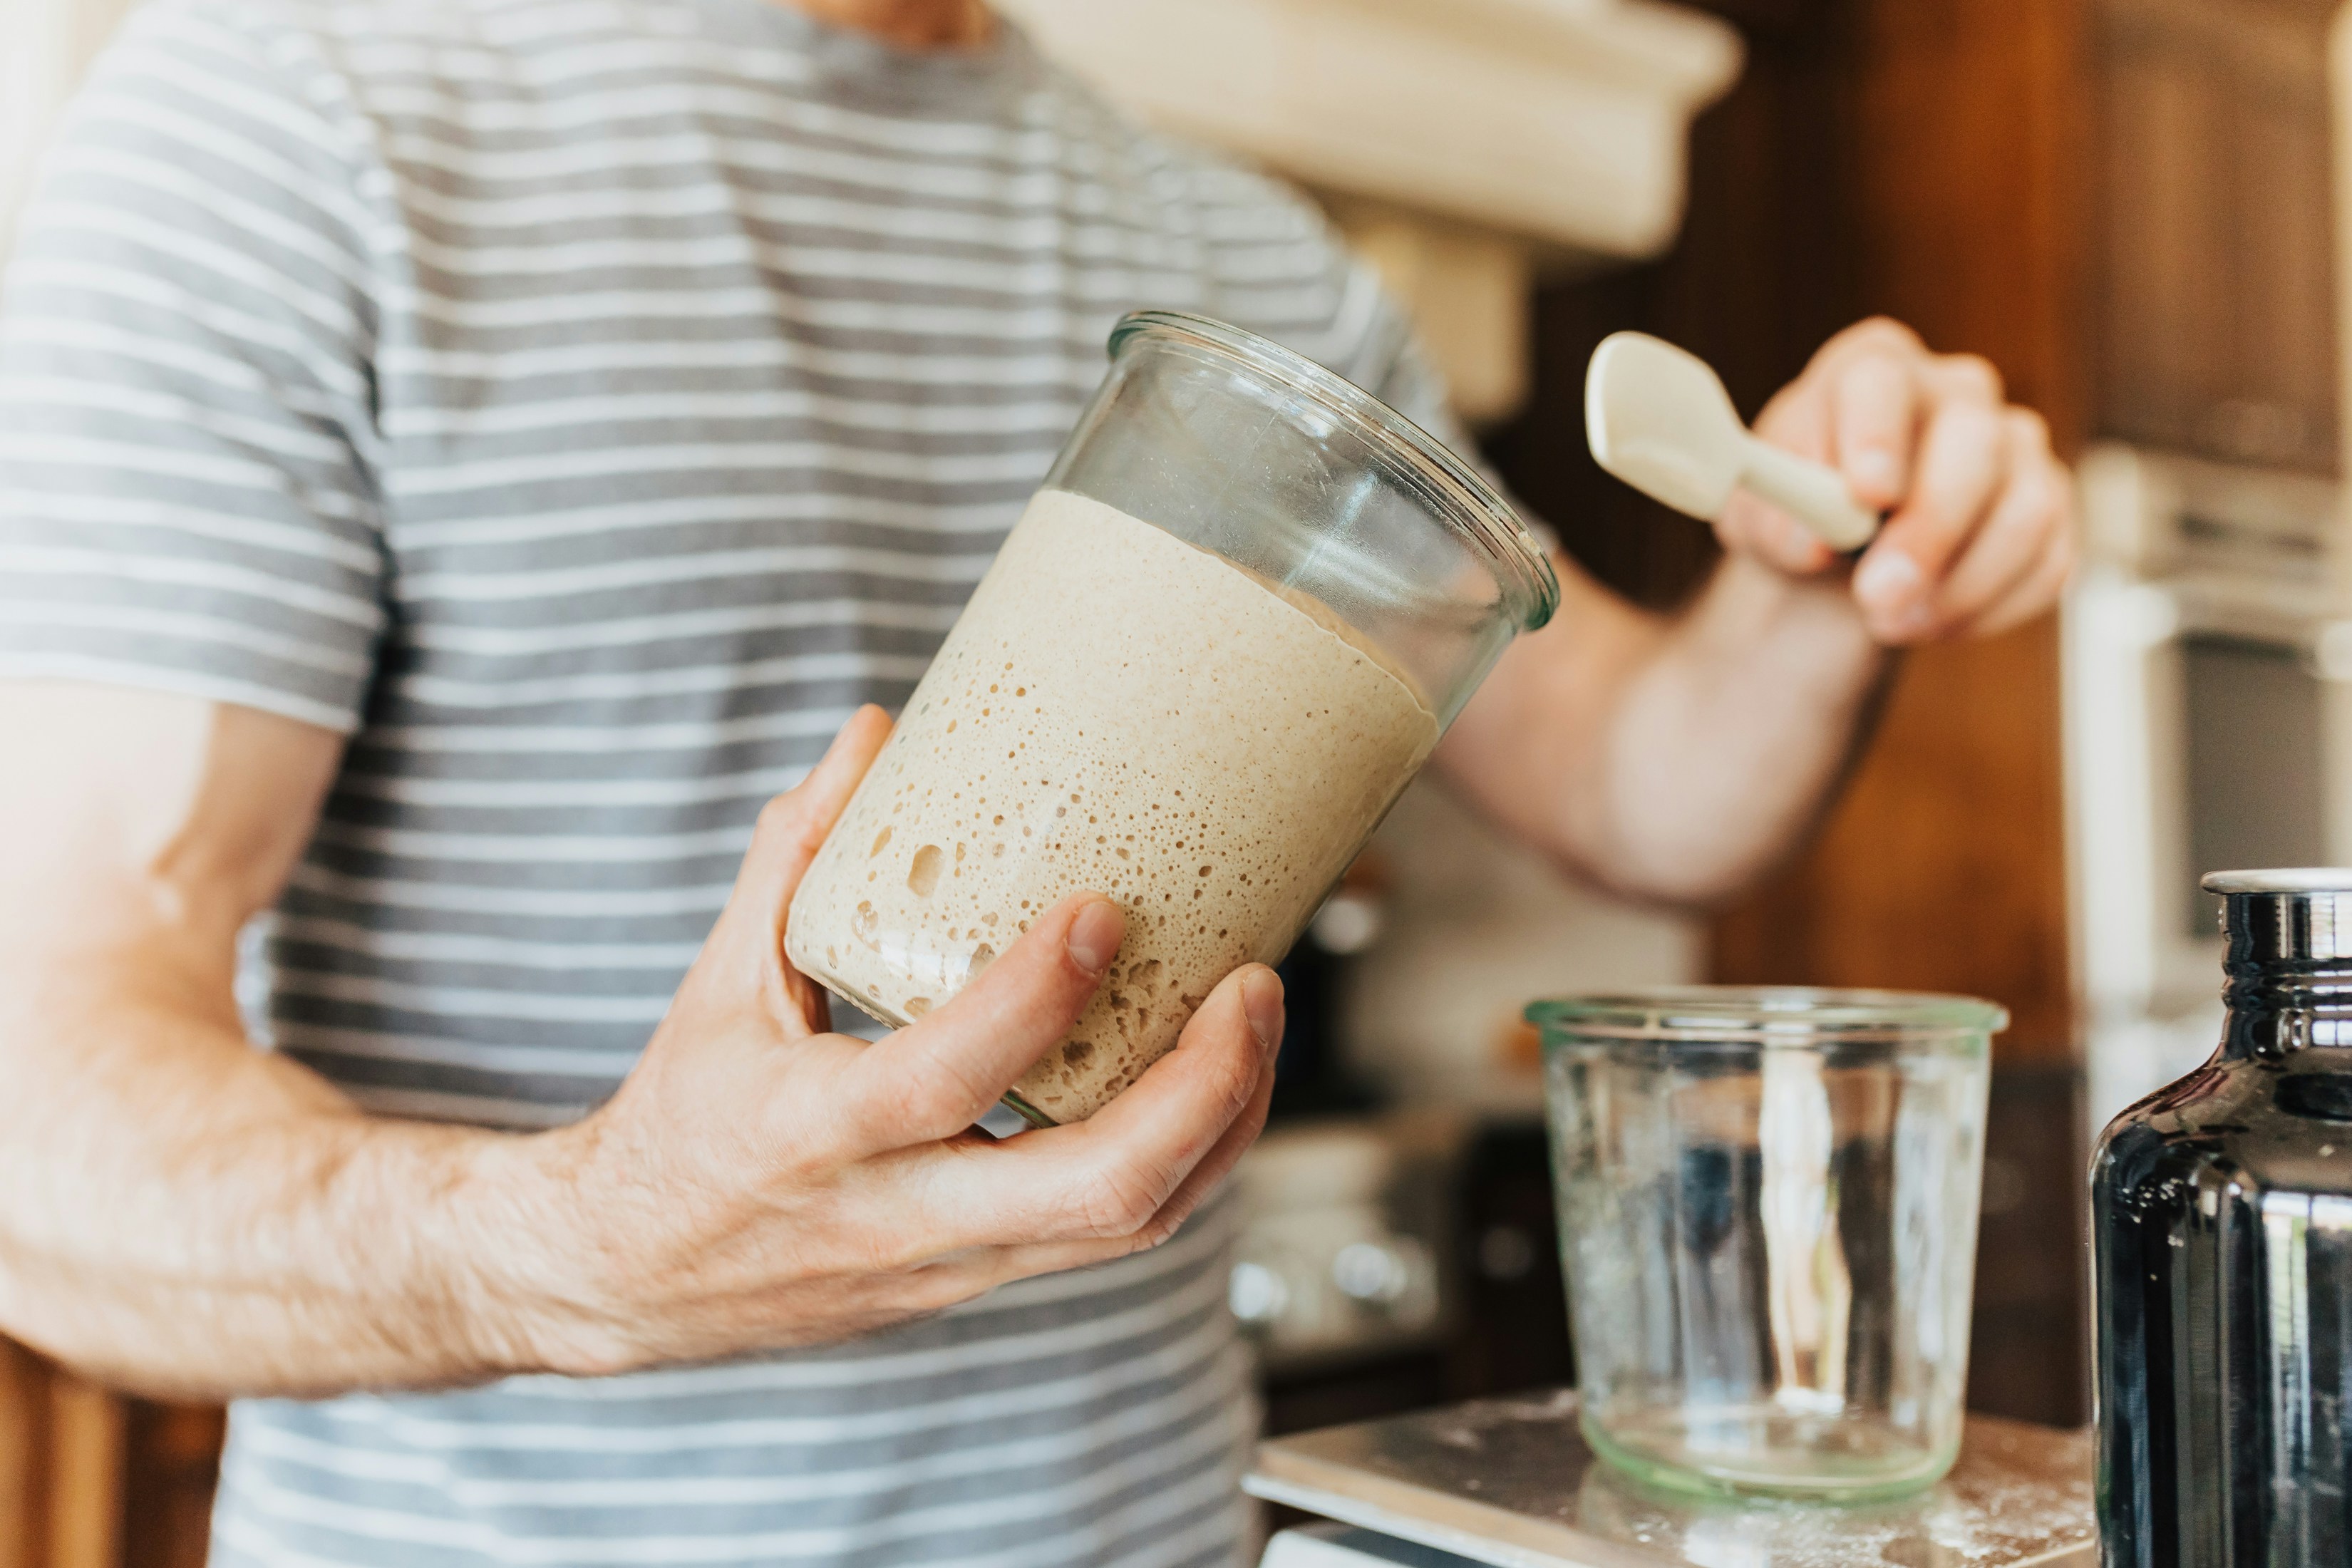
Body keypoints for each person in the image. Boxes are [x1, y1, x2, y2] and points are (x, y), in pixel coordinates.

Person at [0, 0, 2073, 1560]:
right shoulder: (297, 125)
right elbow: (41, 1095)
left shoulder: (1236, 257)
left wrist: (1828, 587)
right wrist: (579, 1244)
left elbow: (1648, 791)